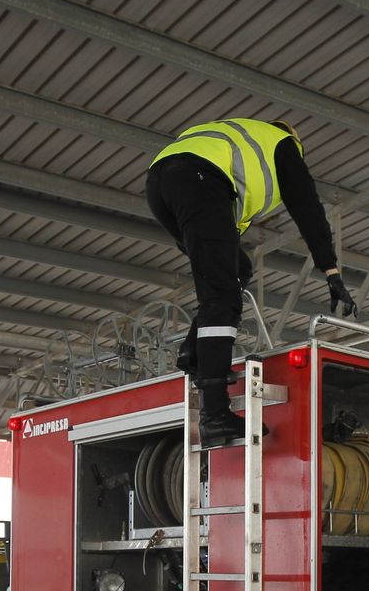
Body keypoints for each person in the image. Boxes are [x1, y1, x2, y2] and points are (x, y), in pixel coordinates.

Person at [146, 117, 358, 445]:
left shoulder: (237, 141)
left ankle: (194, 351)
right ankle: (214, 414)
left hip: (161, 183)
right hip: (200, 179)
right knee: (222, 296)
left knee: (235, 272)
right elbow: (308, 209)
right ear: (293, 137)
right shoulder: (281, 143)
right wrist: (330, 270)